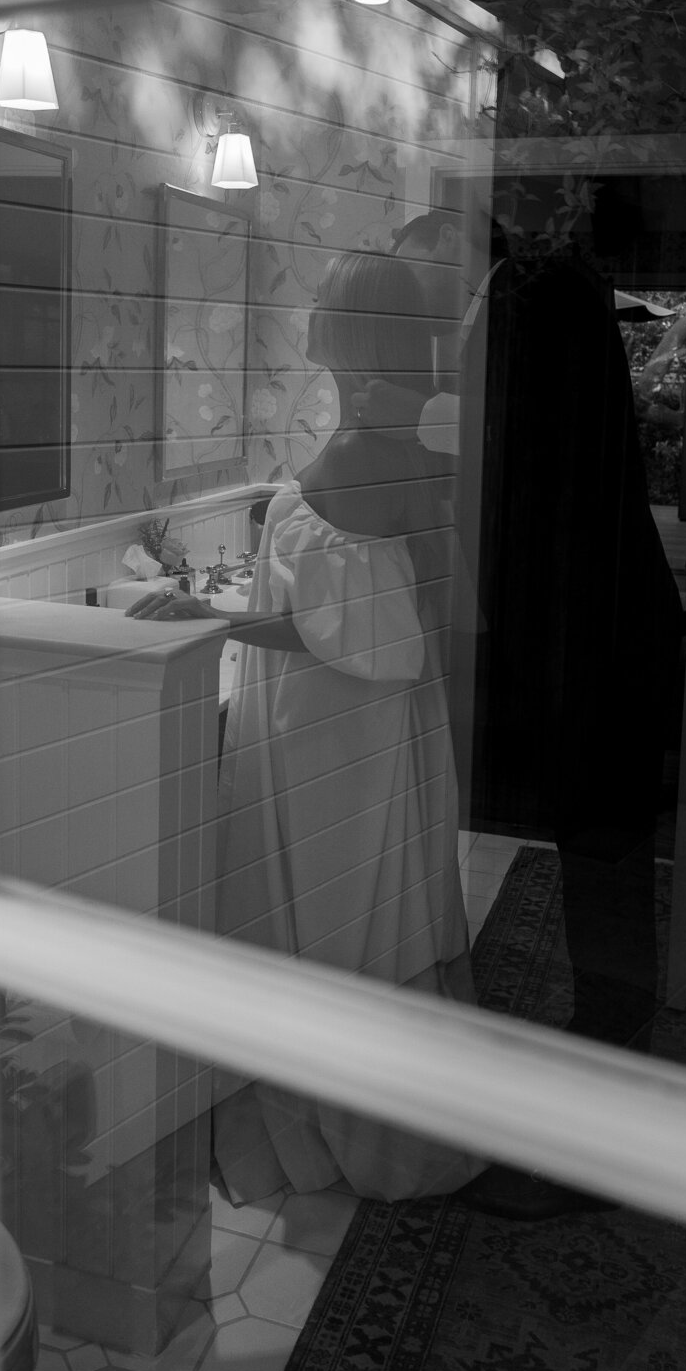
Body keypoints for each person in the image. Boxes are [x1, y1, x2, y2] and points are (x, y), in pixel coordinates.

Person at [130, 251, 484, 1204]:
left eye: (331, 298)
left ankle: (335, 1123)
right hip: (347, 725)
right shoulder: (403, 442)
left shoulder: (379, 453)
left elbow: (363, 636)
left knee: (327, 908)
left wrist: (218, 619)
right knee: (342, 901)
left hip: (337, 733)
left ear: (351, 330)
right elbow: (402, 615)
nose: (313, 306)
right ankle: (346, 1107)